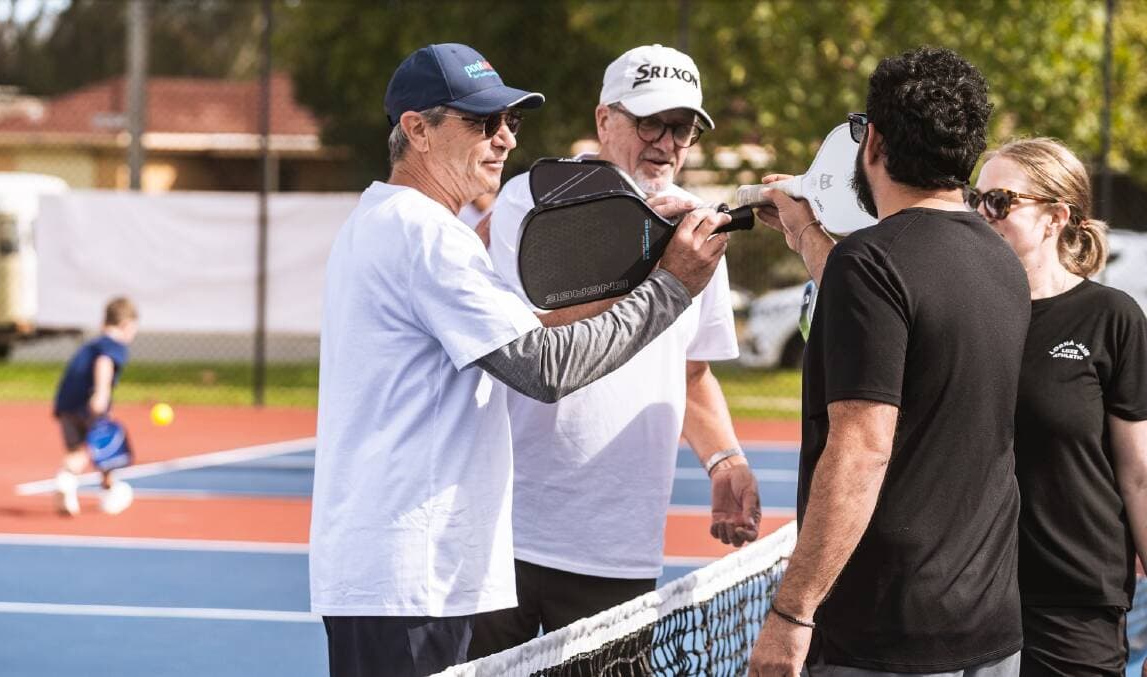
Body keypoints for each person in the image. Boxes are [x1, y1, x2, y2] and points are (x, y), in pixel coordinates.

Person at [308, 42, 732, 677]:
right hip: (412, 578)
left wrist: (638, 266)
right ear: (417, 130)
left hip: (411, 573)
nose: (505, 138)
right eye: (483, 122)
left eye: (511, 122)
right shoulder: (427, 236)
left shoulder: (393, 221)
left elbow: (532, 330)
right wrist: (669, 285)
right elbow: (544, 368)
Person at [469, 43, 761, 660]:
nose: (666, 141)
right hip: (503, 529)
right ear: (605, 121)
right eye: (650, 120)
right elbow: (523, 340)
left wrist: (725, 461)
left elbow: (692, 371)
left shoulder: (701, 230)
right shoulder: (531, 199)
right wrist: (658, 273)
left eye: (682, 128)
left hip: (618, 541)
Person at [747, 47, 1027, 675]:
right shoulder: (1000, 259)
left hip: (889, 631)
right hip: (990, 622)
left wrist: (791, 615)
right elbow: (902, 313)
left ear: (871, 143)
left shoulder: (869, 264)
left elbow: (862, 449)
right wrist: (806, 236)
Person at [970, 138, 1147, 677]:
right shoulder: (962, 315)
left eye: (998, 200)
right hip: (967, 602)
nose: (980, 213)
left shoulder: (1110, 317)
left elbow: (1139, 475)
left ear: (1055, 217)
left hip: (1076, 604)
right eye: (972, 199)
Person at [52, 296, 138, 517]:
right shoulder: (113, 345)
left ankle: (67, 478)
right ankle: (110, 492)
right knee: (107, 449)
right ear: (127, 325)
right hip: (90, 404)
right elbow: (104, 363)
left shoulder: (91, 344)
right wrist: (101, 393)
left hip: (66, 403)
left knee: (77, 450)